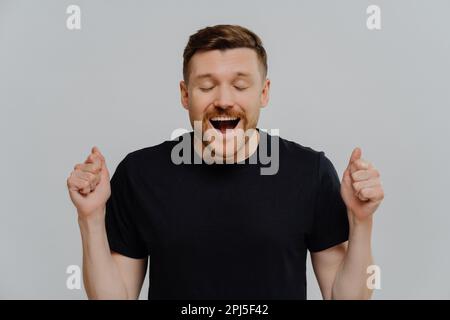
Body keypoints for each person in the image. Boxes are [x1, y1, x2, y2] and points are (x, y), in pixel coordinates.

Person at [66, 24, 384, 300]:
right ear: (185, 95)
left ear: (264, 92)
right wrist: (90, 218)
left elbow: (344, 296)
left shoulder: (309, 173)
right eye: (206, 86)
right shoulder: (140, 174)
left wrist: (361, 222)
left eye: (240, 85)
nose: (223, 99)